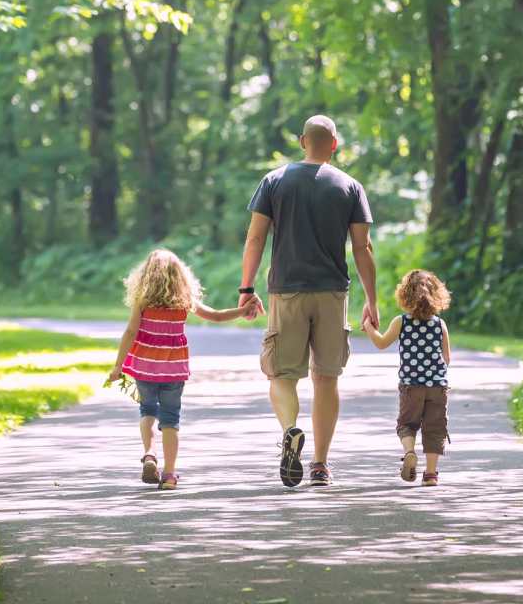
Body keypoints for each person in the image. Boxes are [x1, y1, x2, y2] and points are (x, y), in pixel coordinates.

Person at [239, 114, 377, 487]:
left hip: (287, 291)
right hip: (333, 293)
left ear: (302, 141)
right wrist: (372, 300)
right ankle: (320, 464)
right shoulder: (350, 187)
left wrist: (246, 288)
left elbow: (255, 239)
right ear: (334, 144)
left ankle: (290, 430)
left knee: (282, 375)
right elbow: (362, 247)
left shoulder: (274, 181)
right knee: (326, 378)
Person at [107, 248, 257, 490]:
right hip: (173, 371)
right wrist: (243, 310)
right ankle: (168, 475)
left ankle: (149, 454)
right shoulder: (184, 301)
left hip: (145, 368)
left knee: (147, 411)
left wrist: (118, 366)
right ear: (180, 276)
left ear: (146, 275)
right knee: (170, 420)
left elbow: (130, 332)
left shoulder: (142, 302)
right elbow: (216, 316)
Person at [360, 270, 451, 487]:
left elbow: (381, 343)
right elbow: (446, 358)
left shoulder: (402, 322)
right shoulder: (440, 324)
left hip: (411, 385)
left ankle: (409, 452)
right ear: (436, 295)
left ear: (405, 295)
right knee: (435, 428)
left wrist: (368, 328)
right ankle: (430, 475)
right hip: (437, 386)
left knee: (407, 424)